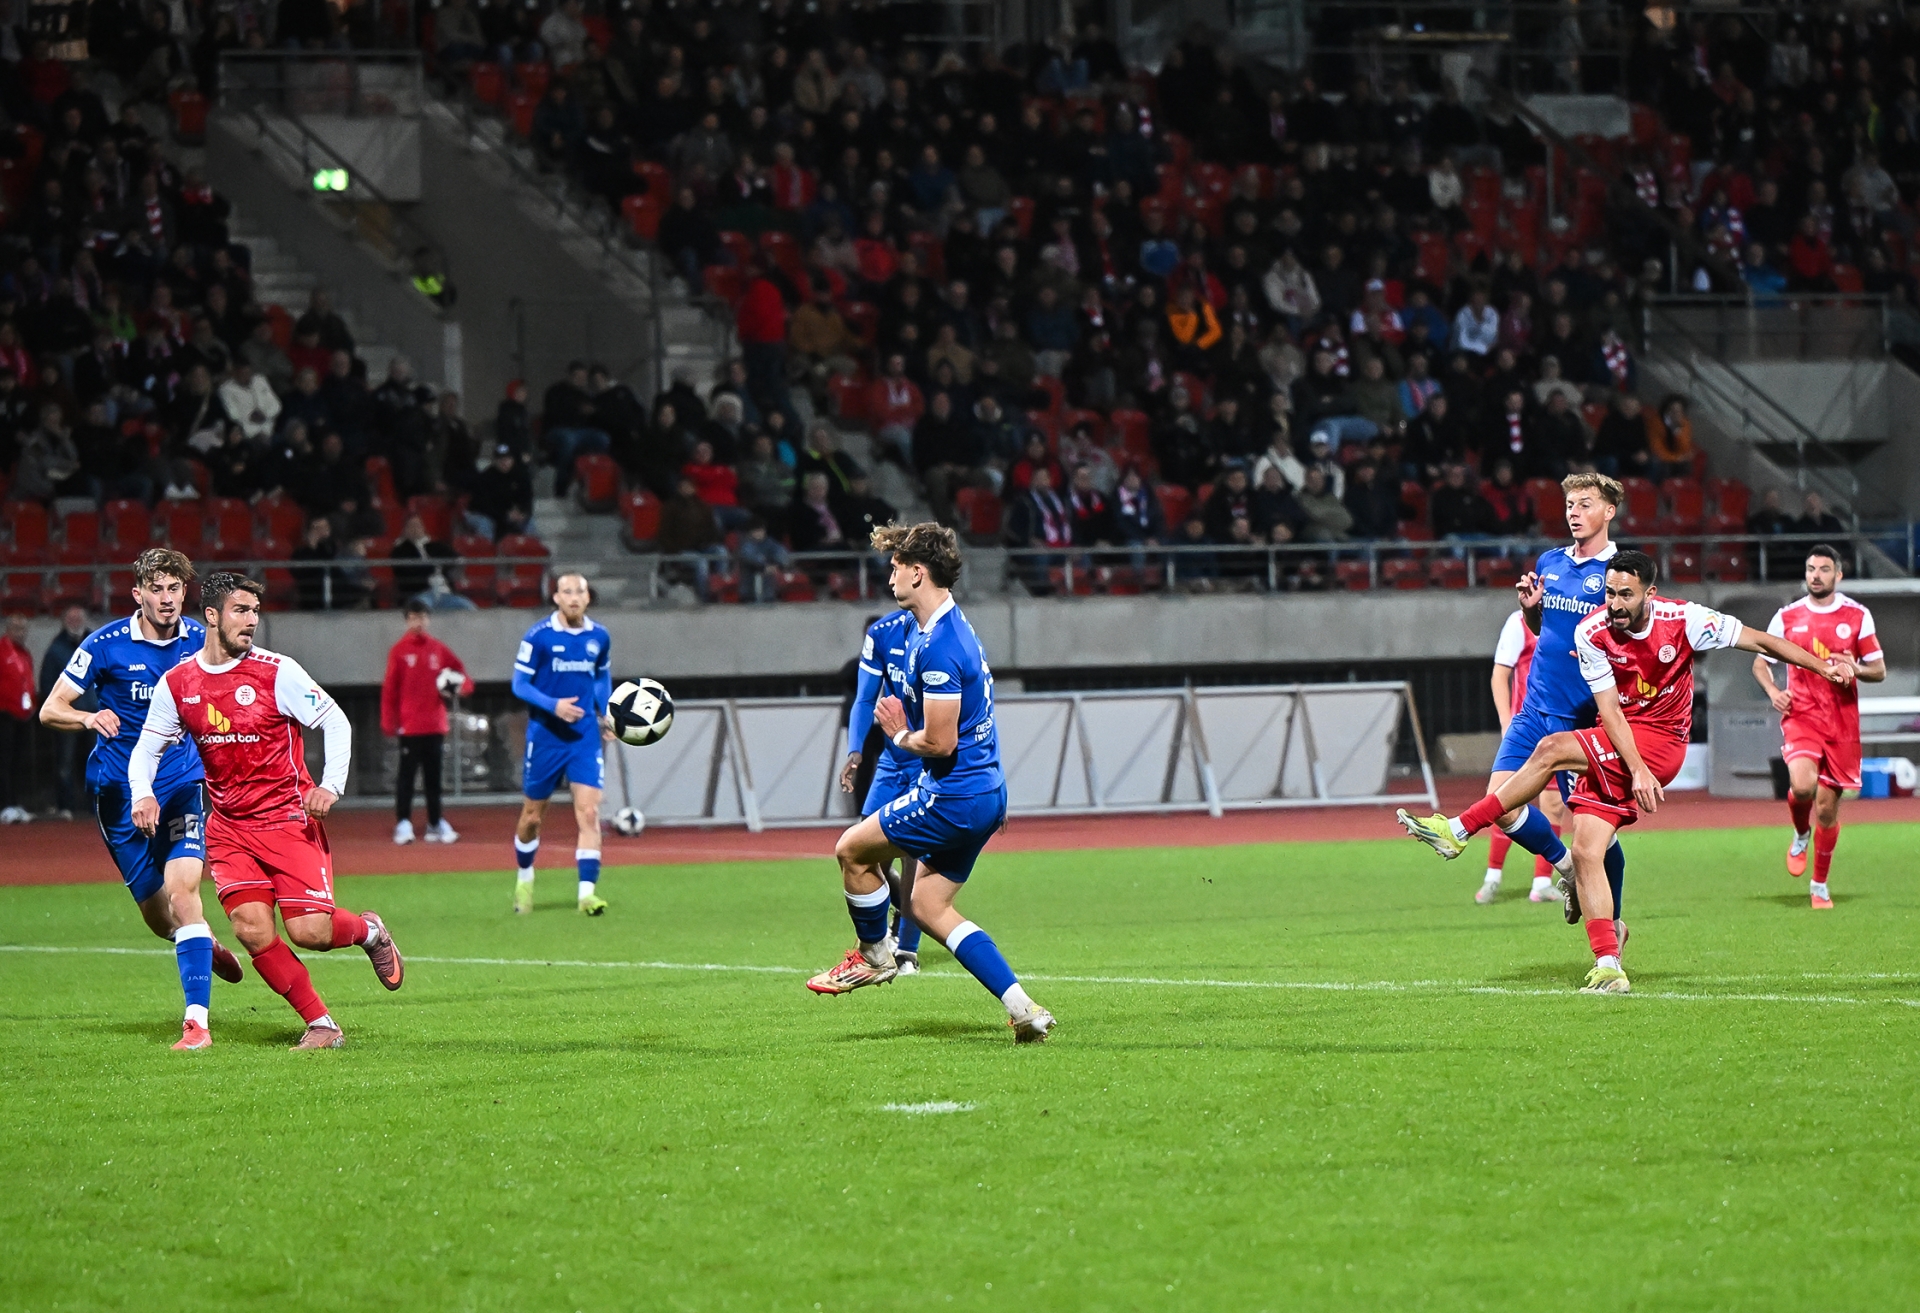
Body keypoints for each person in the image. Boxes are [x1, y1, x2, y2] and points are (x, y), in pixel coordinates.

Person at [1400, 550, 1849, 993]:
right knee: (1586, 848)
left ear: (1649, 594)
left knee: (1551, 749)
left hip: (1662, 744)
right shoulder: (1592, 631)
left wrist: (1823, 667)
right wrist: (1633, 766)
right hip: (1621, 739)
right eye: (1610, 593)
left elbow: (1763, 642)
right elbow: (1610, 711)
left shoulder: (1685, 619)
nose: (1615, 604)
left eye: (1626, 595)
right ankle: (1609, 964)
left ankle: (1459, 828)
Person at [128, 571, 403, 1050]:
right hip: (229, 829)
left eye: (255, 611)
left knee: (310, 932)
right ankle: (322, 1024)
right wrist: (141, 794)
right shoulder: (178, 683)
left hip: (288, 821)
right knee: (252, 931)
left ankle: (370, 932)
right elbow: (147, 748)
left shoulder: (279, 672)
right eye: (240, 610)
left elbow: (336, 722)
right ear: (211, 616)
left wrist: (331, 785)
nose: (251, 620)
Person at [806, 522, 1054, 1043]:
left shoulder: (940, 644)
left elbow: (940, 743)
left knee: (851, 850)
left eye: (895, 567)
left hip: (953, 795)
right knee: (926, 906)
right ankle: (1024, 1009)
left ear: (918, 573)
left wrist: (897, 735)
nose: (890, 577)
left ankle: (875, 955)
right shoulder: (942, 629)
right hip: (982, 792)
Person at [36, 551, 251, 1047]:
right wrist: (88, 717)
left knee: (184, 894)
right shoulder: (104, 645)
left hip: (179, 784)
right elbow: (50, 708)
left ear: (184, 593)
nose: (167, 598)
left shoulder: (202, 638)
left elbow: (240, 688)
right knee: (160, 920)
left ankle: (196, 1023)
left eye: (175, 588)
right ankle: (201, 940)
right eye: (157, 589)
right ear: (138, 594)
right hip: (118, 794)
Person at [1411, 474, 1626, 914]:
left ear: (1609, 512)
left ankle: (1613, 921)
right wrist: (1530, 612)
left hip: (1582, 719)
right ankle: (1565, 869)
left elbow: (1631, 642)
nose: (1574, 513)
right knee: (1502, 806)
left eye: (1585, 504)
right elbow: (1543, 630)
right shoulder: (1550, 562)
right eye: (1570, 504)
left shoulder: (1619, 573)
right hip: (1534, 708)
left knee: (1596, 832)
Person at [1752, 546, 1885, 908]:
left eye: (1824, 569)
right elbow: (1760, 663)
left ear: (1838, 574)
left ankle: (1820, 885)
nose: (1816, 575)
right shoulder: (1787, 617)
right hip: (1802, 715)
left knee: (1827, 809)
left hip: (1841, 722)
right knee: (1801, 784)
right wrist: (1774, 692)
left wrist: (1855, 668)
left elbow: (1878, 670)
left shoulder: (1857, 616)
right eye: (1811, 568)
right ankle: (1800, 833)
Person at [510, 573, 614, 916]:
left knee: (590, 813)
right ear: (556, 597)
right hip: (546, 737)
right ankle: (525, 879)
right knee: (531, 818)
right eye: (566, 592)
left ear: (587, 597)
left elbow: (600, 676)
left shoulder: (599, 636)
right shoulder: (538, 636)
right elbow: (520, 684)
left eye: (579, 591)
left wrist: (607, 712)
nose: (573, 597)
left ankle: (587, 895)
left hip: (584, 738)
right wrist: (554, 705)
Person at [837, 608, 926, 973]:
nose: (891, 581)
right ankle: (900, 914)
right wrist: (855, 750)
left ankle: (907, 952)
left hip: (926, 762)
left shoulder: (943, 633)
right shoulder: (881, 633)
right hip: (891, 761)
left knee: (913, 854)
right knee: (863, 849)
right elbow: (863, 698)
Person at [1478, 609, 1569, 905]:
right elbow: (1499, 675)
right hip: (1527, 730)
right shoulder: (1518, 622)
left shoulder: (1570, 620)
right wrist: (1506, 723)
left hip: (1559, 731)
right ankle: (1493, 876)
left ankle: (1542, 882)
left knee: (1554, 805)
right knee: (1506, 802)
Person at [382, 599, 474, 846]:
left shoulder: (438, 649)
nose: (418, 622)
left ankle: (436, 821)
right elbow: (390, 689)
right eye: (413, 618)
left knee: (434, 778)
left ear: (428, 619)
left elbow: (461, 673)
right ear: (406, 620)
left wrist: (463, 687)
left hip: (435, 724)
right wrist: (389, 721)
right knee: (407, 777)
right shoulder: (399, 651)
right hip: (409, 726)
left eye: (422, 617)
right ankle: (403, 823)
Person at [38, 604, 91, 818]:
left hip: (94, 715)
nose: (75, 623)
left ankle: (94, 807)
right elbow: (47, 683)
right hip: (67, 716)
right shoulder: (55, 649)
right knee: (65, 763)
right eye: (71, 619)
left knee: (95, 761)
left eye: (79, 619)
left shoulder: (96, 644)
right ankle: (66, 807)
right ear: (63, 622)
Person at [1, 614, 37, 823]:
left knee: (18, 762)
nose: (21, 633)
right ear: (7, 630)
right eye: (16, 629)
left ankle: (15, 803)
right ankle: (5, 804)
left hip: (22, 715)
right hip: (4, 714)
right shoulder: (2, 651)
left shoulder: (25, 653)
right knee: (4, 761)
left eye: (24, 629)